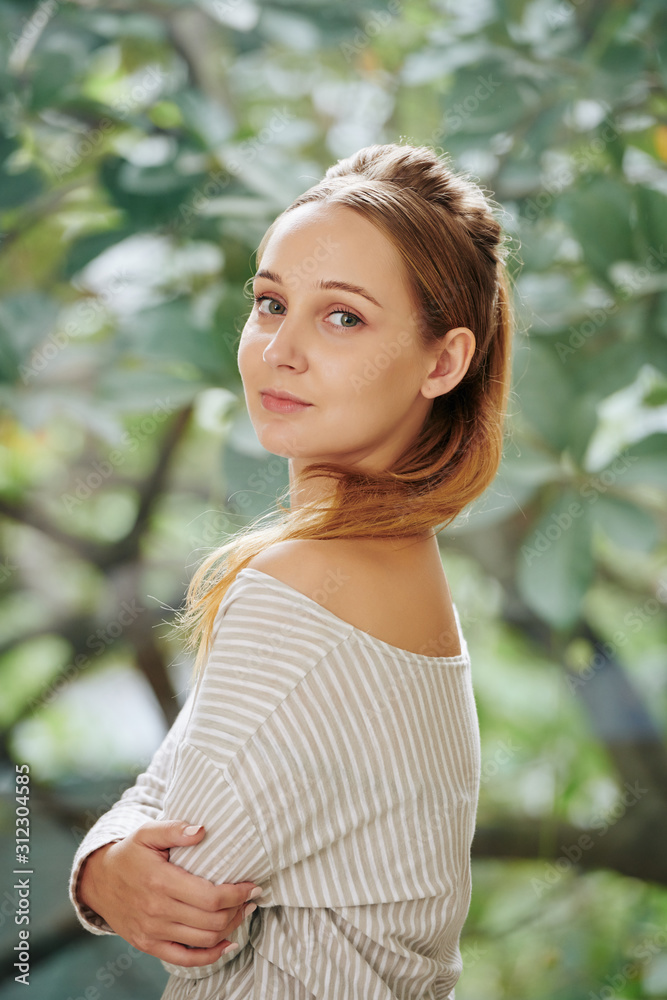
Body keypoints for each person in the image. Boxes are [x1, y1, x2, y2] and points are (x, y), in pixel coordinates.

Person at [70, 140, 514, 999]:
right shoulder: (388, 566)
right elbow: (167, 787)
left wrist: (108, 865)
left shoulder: (311, 588)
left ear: (443, 362)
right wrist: (101, 866)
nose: (281, 348)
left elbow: (181, 890)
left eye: (342, 317)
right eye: (271, 303)